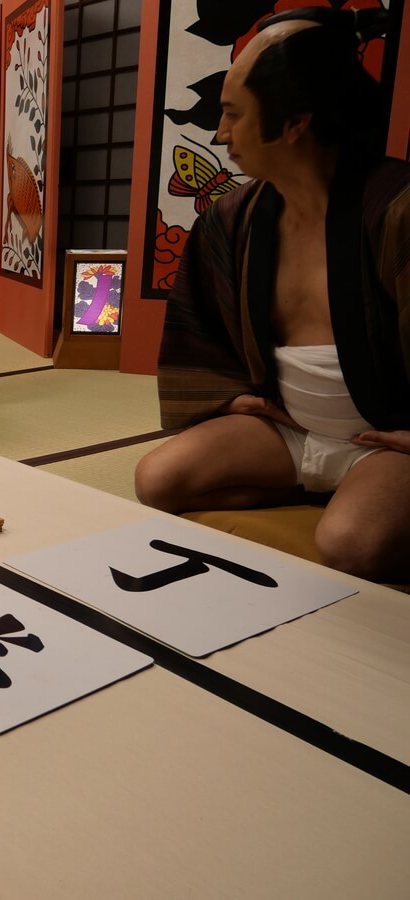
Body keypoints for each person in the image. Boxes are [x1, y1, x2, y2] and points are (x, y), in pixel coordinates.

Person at [133, 7, 410, 584]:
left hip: (388, 442)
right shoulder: (233, 218)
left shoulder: (397, 210)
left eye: (233, 114)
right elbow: (200, 331)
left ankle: (359, 497)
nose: (220, 133)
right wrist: (233, 398)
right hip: (289, 431)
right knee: (157, 480)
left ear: (294, 123)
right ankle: (324, 489)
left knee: (351, 547)